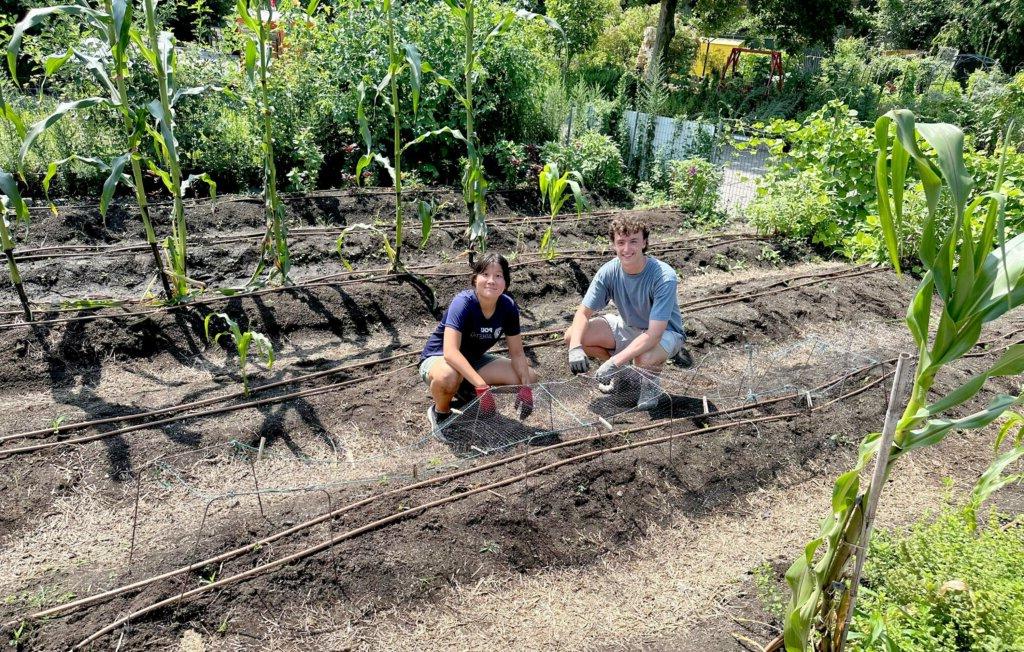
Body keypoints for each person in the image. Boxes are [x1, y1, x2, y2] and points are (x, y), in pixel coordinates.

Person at [563, 216, 688, 407]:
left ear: (644, 242)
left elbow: (654, 335)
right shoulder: (609, 271)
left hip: (666, 333)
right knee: (573, 336)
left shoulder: (663, 276)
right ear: (613, 244)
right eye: (621, 242)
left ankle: (650, 385)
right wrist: (575, 348)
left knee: (643, 356)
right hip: (629, 326)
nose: (627, 249)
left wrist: (615, 361)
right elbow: (582, 313)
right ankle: (622, 376)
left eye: (633, 241)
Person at [420, 253, 536, 434]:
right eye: (485, 274)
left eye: (498, 276)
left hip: (473, 360)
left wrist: (527, 387)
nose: (491, 280)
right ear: (475, 279)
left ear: (505, 283)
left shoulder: (508, 307)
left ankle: (464, 389)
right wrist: (482, 386)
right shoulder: (463, 303)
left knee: (528, 376)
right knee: (448, 377)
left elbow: (518, 354)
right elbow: (450, 352)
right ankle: (440, 413)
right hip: (439, 358)